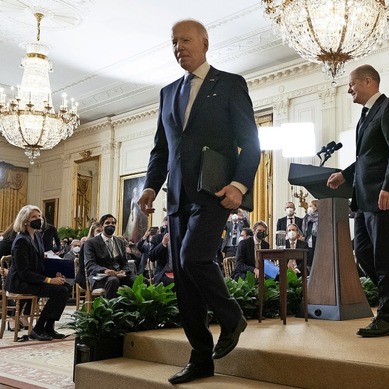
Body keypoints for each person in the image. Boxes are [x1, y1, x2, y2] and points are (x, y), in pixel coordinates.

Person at [138, 19, 260, 384]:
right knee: (184, 281)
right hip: (176, 197)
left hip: (214, 192)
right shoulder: (166, 93)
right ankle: (200, 358)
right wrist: (150, 186)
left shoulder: (230, 84)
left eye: (186, 40)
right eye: (174, 42)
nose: (179, 47)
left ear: (205, 43)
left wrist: (239, 184)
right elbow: (162, 149)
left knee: (194, 257)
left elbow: (250, 142)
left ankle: (232, 315)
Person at [326, 64, 389, 338]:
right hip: (363, 198)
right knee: (364, 253)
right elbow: (367, 157)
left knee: (384, 256)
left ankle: (387, 317)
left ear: (368, 81)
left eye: (351, 84)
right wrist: (345, 174)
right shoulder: (366, 115)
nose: (349, 89)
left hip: (383, 196)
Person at [6, 205, 70, 341]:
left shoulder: (37, 236)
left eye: (39, 216)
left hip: (32, 279)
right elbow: (24, 272)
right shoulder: (21, 241)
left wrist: (54, 276)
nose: (39, 219)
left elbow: (40, 262)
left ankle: (49, 327)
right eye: (34, 217)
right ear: (25, 221)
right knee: (60, 291)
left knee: (66, 288)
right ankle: (38, 328)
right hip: (21, 282)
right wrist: (48, 280)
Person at [84, 214, 135, 299]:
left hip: (118, 275)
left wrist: (124, 271)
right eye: (107, 223)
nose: (111, 225)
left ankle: (134, 309)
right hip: (100, 277)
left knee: (140, 280)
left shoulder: (120, 242)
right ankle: (109, 309)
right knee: (113, 281)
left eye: (113, 223)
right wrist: (105, 270)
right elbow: (90, 264)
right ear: (101, 226)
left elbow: (124, 262)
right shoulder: (91, 243)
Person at [301, 200, 318, 267]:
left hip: (317, 240)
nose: (309, 208)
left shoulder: (321, 217)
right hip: (308, 241)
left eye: (311, 206)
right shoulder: (307, 217)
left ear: (316, 207)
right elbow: (305, 229)